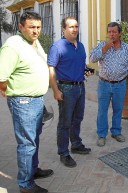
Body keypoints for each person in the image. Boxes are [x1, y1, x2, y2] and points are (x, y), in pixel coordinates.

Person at [0, 12, 53, 193]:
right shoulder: (13, 45)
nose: (36, 31)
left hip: (36, 100)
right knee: (27, 143)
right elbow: (1, 77)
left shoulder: (33, 42)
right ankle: (25, 184)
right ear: (21, 27)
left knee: (33, 139)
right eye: (31, 27)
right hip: (23, 102)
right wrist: (8, 90)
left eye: (38, 27)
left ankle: (32, 170)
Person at [48, 16, 92, 168]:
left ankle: (76, 144)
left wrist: (85, 70)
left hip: (80, 86)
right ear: (63, 29)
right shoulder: (58, 46)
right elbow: (51, 69)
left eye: (76, 26)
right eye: (71, 27)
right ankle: (63, 153)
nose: (75, 29)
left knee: (77, 118)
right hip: (66, 89)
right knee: (65, 122)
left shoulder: (80, 46)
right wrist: (55, 90)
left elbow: (80, 64)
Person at [90, 22, 128, 147]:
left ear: (120, 33)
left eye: (114, 32)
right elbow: (92, 58)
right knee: (102, 110)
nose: (111, 34)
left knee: (118, 109)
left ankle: (116, 132)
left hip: (120, 84)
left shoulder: (126, 48)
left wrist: (122, 76)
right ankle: (102, 135)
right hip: (104, 84)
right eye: (109, 32)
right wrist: (105, 49)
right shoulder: (102, 45)